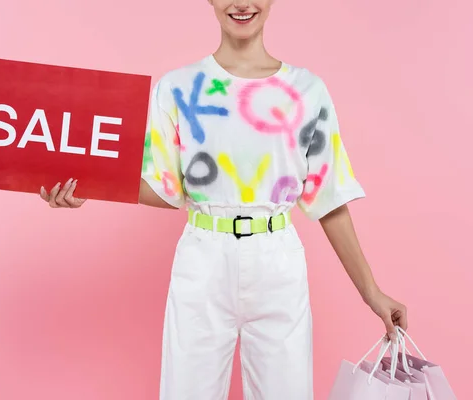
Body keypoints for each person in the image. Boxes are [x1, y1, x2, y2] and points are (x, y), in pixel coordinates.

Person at [40, 0, 408, 398]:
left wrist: (371, 291)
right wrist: (90, 185)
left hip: (277, 261)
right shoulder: (177, 87)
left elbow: (328, 198)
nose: (242, 3)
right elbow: (167, 191)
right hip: (203, 259)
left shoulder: (306, 91)